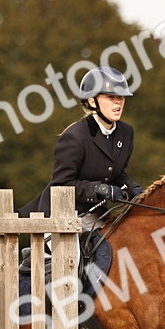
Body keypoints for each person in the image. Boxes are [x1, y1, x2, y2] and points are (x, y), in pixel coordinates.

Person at [17, 66, 143, 229]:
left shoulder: (125, 132)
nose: (118, 102)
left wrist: (135, 189)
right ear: (92, 101)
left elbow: (116, 172)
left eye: (121, 97)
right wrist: (99, 189)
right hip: (61, 216)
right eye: (110, 96)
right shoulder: (75, 136)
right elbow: (61, 185)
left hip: (95, 214)